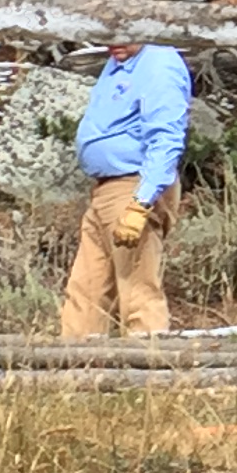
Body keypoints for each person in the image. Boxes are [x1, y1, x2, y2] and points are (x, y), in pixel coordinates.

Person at [63, 42, 191, 337]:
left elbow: (167, 138)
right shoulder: (120, 62)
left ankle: (150, 368)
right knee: (87, 288)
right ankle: (74, 368)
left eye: (124, 31)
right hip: (105, 189)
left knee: (136, 286)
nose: (114, 41)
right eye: (108, 32)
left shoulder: (159, 63)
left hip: (132, 184)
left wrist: (141, 202)